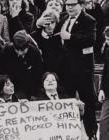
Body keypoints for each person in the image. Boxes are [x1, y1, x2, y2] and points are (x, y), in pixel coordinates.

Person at [54, 0, 98, 139]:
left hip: (82, 71)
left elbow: (90, 39)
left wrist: (70, 37)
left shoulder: (88, 20)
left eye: (73, 4)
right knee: (67, 102)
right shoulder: (63, 19)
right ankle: (68, 134)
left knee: (88, 103)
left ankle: (91, 134)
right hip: (65, 71)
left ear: (81, 5)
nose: (70, 7)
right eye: (68, 5)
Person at [2, 30, 43, 99]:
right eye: (17, 50)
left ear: (28, 47)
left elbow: (38, 74)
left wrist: (34, 94)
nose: (20, 53)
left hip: (30, 86)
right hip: (12, 86)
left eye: (23, 50)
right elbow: (3, 70)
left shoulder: (35, 52)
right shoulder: (7, 50)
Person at [31, 9, 64, 80]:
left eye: (52, 23)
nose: (50, 26)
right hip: (39, 73)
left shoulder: (59, 36)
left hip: (57, 73)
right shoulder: (35, 36)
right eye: (47, 23)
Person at [98, 26, 109, 140]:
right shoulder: (107, 50)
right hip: (108, 93)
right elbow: (106, 71)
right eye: (106, 39)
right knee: (103, 122)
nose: (107, 42)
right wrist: (101, 89)